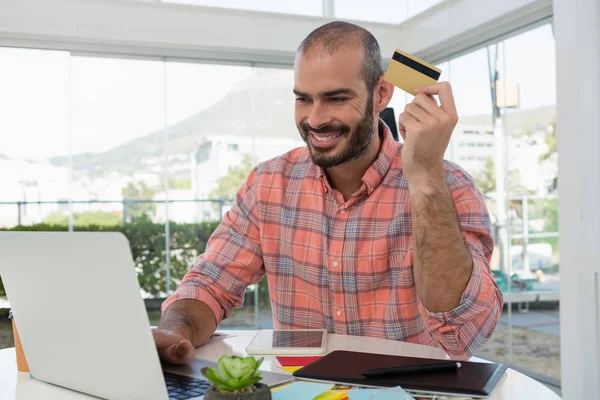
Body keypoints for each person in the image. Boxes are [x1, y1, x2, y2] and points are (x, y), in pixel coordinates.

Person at [153, 21, 503, 364]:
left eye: (336, 99)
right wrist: (174, 331)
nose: (315, 119)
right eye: (303, 99)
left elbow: (463, 334)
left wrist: (426, 179)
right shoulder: (269, 183)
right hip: (303, 391)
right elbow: (211, 284)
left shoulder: (449, 186)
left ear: (380, 94)